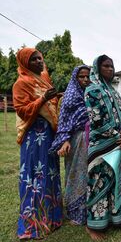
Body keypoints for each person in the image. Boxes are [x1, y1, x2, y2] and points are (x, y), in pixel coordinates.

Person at [13, 47, 62, 239]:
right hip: (34, 137)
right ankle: (33, 224)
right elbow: (22, 111)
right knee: (35, 175)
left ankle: (53, 218)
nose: (40, 62)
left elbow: (51, 106)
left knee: (50, 173)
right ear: (25, 62)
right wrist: (43, 98)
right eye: (34, 59)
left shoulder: (43, 78)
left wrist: (55, 98)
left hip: (49, 135)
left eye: (40, 58)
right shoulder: (21, 83)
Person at [85, 55, 121, 240]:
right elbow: (96, 120)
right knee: (98, 183)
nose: (110, 69)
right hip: (101, 146)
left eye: (112, 66)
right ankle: (93, 226)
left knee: (115, 181)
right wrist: (117, 136)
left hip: (119, 144)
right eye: (106, 66)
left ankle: (116, 218)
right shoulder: (92, 90)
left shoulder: (113, 91)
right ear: (97, 68)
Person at [49, 65, 91, 225]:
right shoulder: (70, 96)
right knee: (75, 173)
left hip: (88, 139)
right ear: (75, 77)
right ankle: (74, 211)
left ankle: (86, 210)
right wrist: (65, 140)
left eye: (87, 76)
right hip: (75, 140)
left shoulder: (89, 94)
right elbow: (64, 120)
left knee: (86, 174)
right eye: (82, 76)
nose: (85, 79)